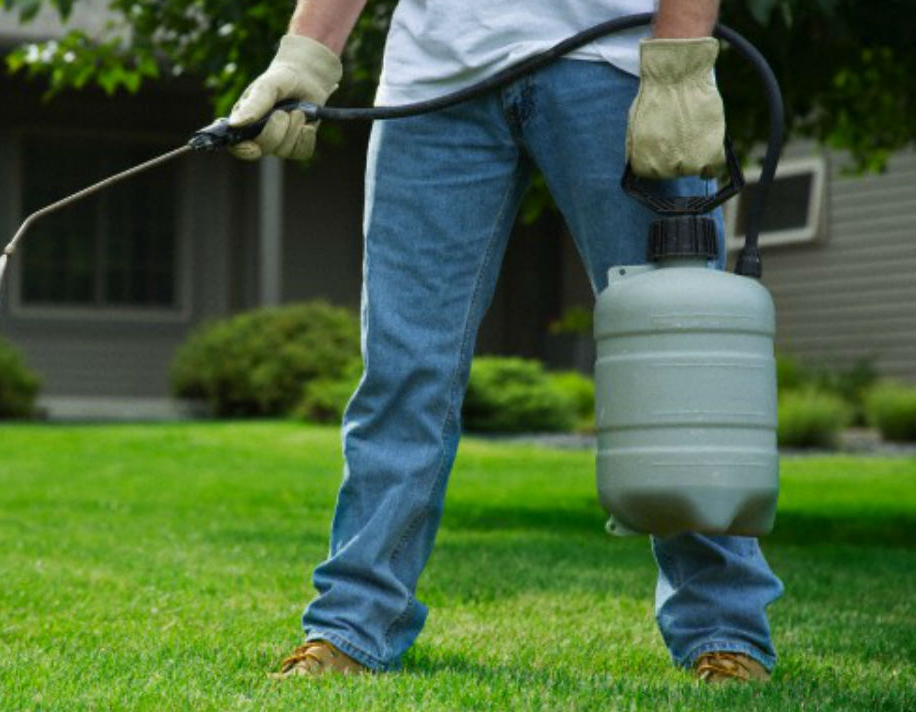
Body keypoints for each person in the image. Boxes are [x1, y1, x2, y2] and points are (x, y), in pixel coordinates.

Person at [227, 0, 784, 683]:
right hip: (435, 80)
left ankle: (725, 633)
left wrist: (681, 57)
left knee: (680, 354)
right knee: (403, 369)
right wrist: (305, 56)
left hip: (615, 63)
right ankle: (351, 626)